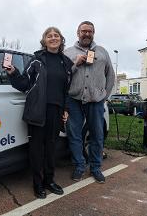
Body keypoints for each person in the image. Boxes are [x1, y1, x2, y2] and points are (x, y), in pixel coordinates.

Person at [4, 27, 73, 199]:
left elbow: (67, 89)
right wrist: (13, 72)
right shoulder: (36, 60)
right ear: (44, 41)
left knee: (51, 148)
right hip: (37, 109)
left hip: (56, 111)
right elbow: (24, 83)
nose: (53, 38)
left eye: (56, 35)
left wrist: (66, 109)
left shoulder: (66, 62)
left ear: (61, 39)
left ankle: (49, 180)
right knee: (36, 149)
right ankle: (37, 183)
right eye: (49, 36)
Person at [64, 21, 115, 183]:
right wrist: (75, 64)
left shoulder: (102, 52)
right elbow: (63, 75)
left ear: (93, 33)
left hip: (95, 100)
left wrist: (104, 95)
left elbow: (110, 75)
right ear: (77, 32)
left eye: (90, 31)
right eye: (83, 31)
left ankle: (95, 167)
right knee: (74, 134)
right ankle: (79, 165)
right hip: (74, 99)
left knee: (97, 135)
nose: (86, 34)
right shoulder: (68, 53)